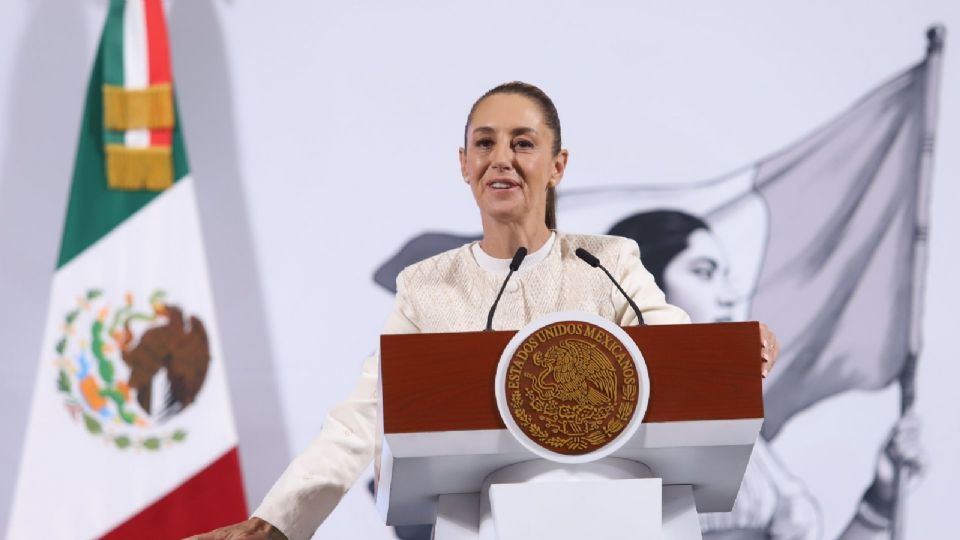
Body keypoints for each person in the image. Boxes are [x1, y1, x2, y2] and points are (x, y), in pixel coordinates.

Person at [190, 83, 780, 540]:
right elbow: (362, 417)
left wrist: (730, 356)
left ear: (558, 165)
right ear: (464, 164)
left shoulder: (609, 263)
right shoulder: (427, 287)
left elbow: (674, 348)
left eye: (523, 143)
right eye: (485, 143)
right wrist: (278, 523)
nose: (501, 159)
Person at [609, 209, 924, 540]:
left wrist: (877, 504)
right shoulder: (603, 429)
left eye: (726, 276)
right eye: (704, 273)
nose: (730, 296)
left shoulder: (730, 427)